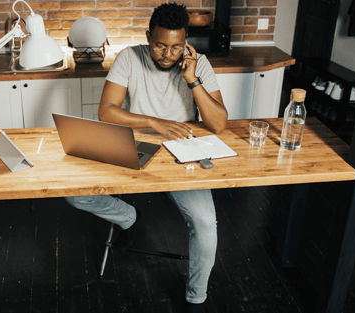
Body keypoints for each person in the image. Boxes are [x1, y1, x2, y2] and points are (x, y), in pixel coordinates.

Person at [65, 3, 228, 312]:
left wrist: (192, 79)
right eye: (159, 46)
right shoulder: (130, 57)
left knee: (206, 223)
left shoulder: (199, 63)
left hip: (182, 154)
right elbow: (107, 111)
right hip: (133, 144)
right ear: (147, 37)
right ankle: (128, 216)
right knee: (76, 194)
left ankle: (196, 297)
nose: (167, 54)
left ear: (185, 43)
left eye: (176, 47)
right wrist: (154, 122)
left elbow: (218, 123)